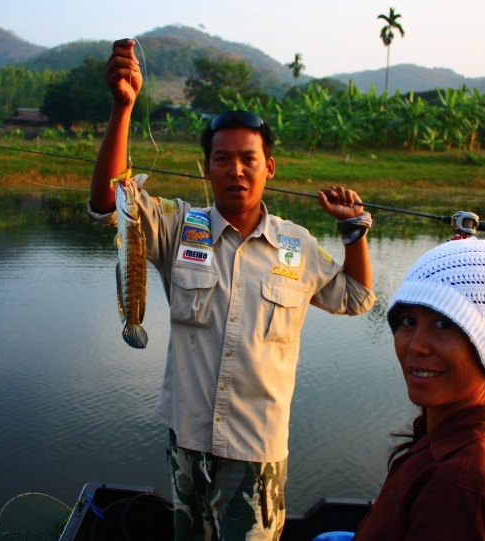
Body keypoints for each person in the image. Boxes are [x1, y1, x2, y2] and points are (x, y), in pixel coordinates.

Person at [90, 39, 377, 541]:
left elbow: (355, 298)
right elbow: (107, 201)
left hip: (256, 453)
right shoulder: (181, 227)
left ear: (270, 168)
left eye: (249, 158)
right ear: (207, 168)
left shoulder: (296, 245)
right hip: (188, 442)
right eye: (222, 159)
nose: (236, 170)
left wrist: (354, 234)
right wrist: (123, 106)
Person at [353, 237, 485, 541]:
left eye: (443, 324)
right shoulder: (475, 433)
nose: (415, 346)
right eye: (407, 321)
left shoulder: (460, 487)